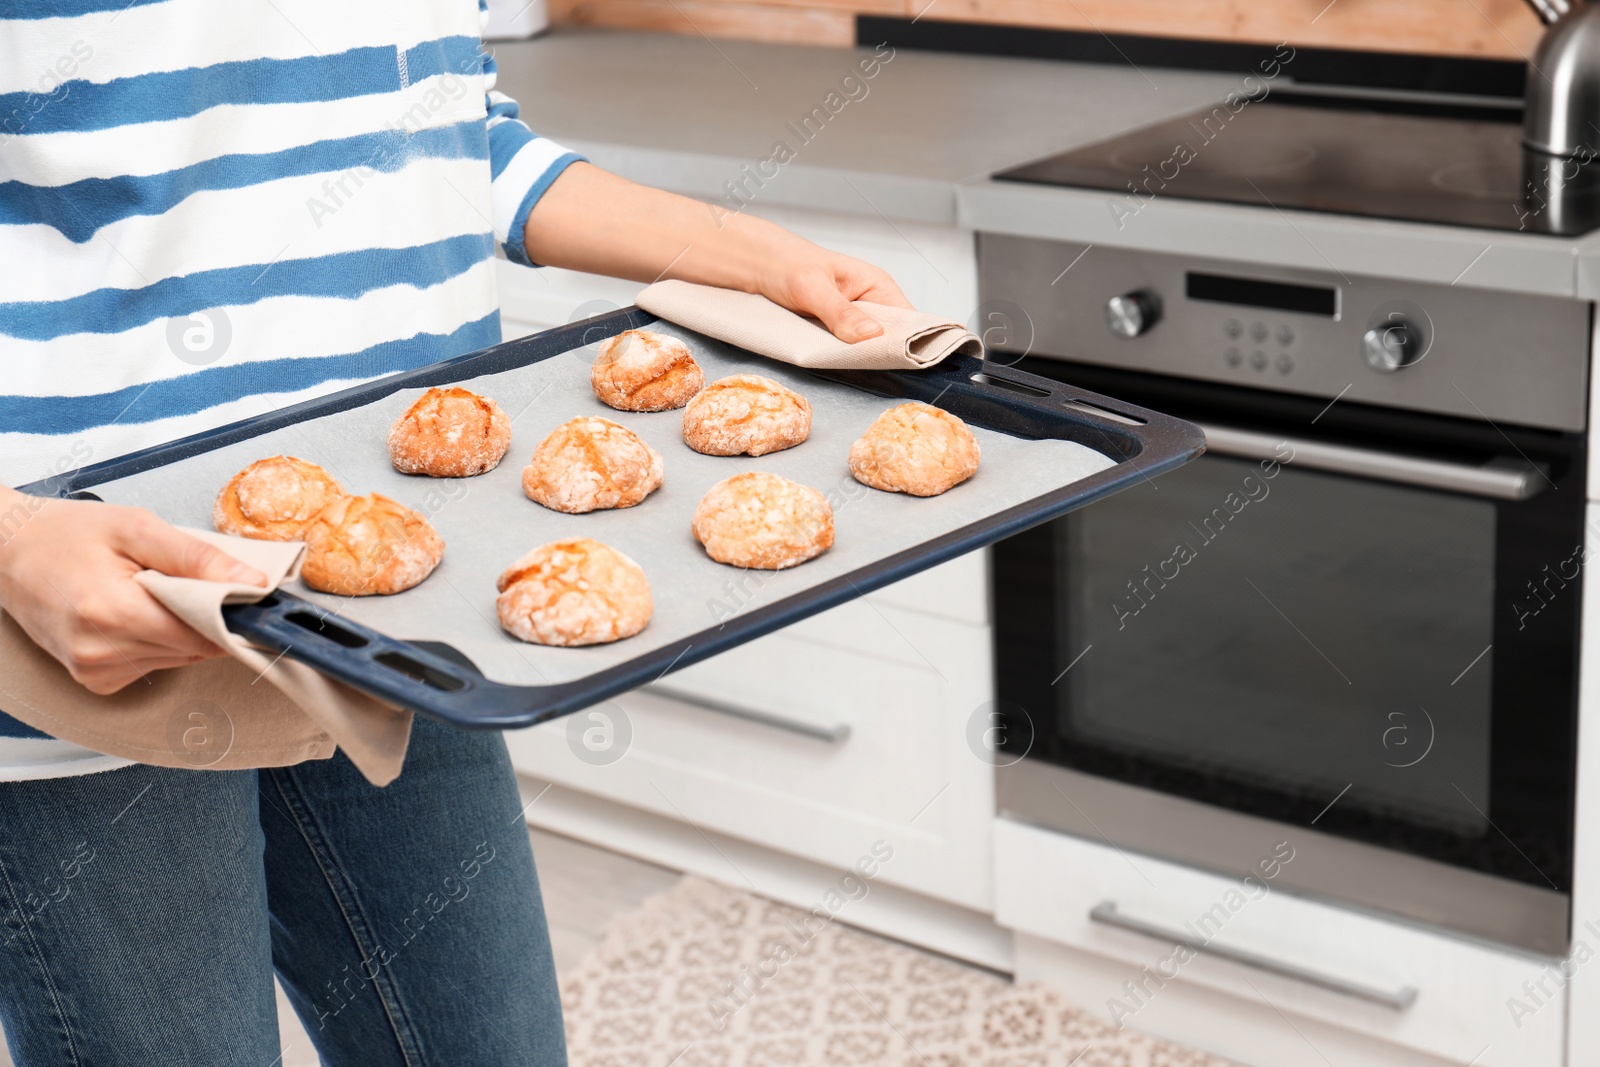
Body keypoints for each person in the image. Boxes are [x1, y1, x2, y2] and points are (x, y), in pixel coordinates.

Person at [0, 3, 910, 1062]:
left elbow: (450, 134)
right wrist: (13, 542)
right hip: (102, 615)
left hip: (398, 596)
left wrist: (751, 254)